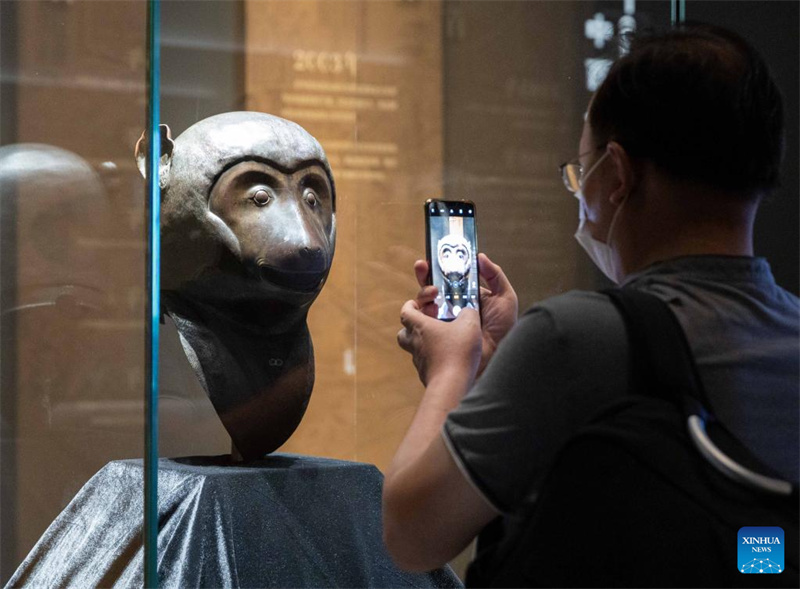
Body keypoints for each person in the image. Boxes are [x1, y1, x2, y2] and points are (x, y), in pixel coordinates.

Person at [382, 23, 799, 578]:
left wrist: (452, 368)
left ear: (619, 176)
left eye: (583, 172)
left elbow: (411, 533)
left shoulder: (574, 338)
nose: (583, 194)